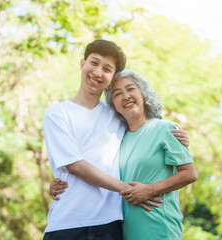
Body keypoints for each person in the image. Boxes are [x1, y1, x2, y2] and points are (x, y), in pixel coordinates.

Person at [43, 39, 189, 240]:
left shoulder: (117, 115)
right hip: (68, 223)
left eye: (107, 69)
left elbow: (146, 133)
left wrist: (178, 135)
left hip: (111, 226)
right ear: (82, 64)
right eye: (94, 63)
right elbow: (74, 165)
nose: (98, 72)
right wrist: (128, 189)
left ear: (111, 78)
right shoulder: (57, 113)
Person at [104, 69, 198, 239]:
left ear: (143, 94)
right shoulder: (119, 140)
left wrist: (149, 190)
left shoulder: (164, 129)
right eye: (117, 94)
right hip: (129, 232)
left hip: (160, 228)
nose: (125, 96)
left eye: (130, 89)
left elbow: (189, 173)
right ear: (114, 106)